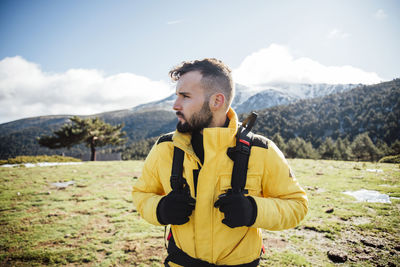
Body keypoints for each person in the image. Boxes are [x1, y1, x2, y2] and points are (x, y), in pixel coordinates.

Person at [132, 58, 308, 266]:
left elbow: (297, 205)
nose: (175, 105)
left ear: (216, 101)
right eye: (176, 95)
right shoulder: (165, 147)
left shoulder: (262, 150)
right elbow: (141, 194)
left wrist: (253, 210)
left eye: (185, 96)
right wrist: (160, 208)